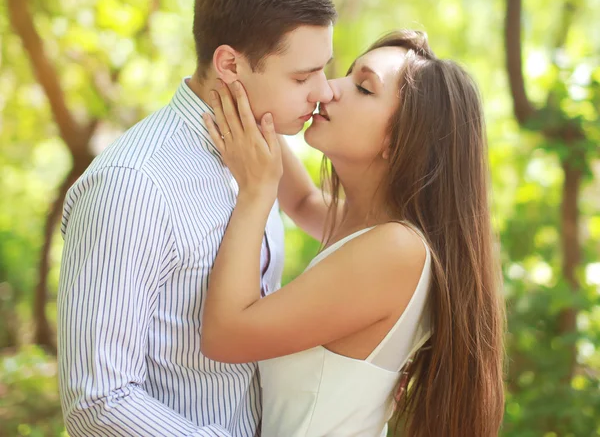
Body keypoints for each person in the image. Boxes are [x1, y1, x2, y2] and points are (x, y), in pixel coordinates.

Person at [57, 0, 336, 437]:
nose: (324, 91)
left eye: (323, 69)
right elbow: (97, 400)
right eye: (301, 76)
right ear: (230, 63)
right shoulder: (133, 185)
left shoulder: (261, 151)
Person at [201, 30, 506, 437]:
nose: (327, 89)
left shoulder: (395, 250)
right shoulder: (367, 226)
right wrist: (251, 100)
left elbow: (225, 336)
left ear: (400, 141)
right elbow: (304, 202)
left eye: (363, 87)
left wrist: (256, 194)